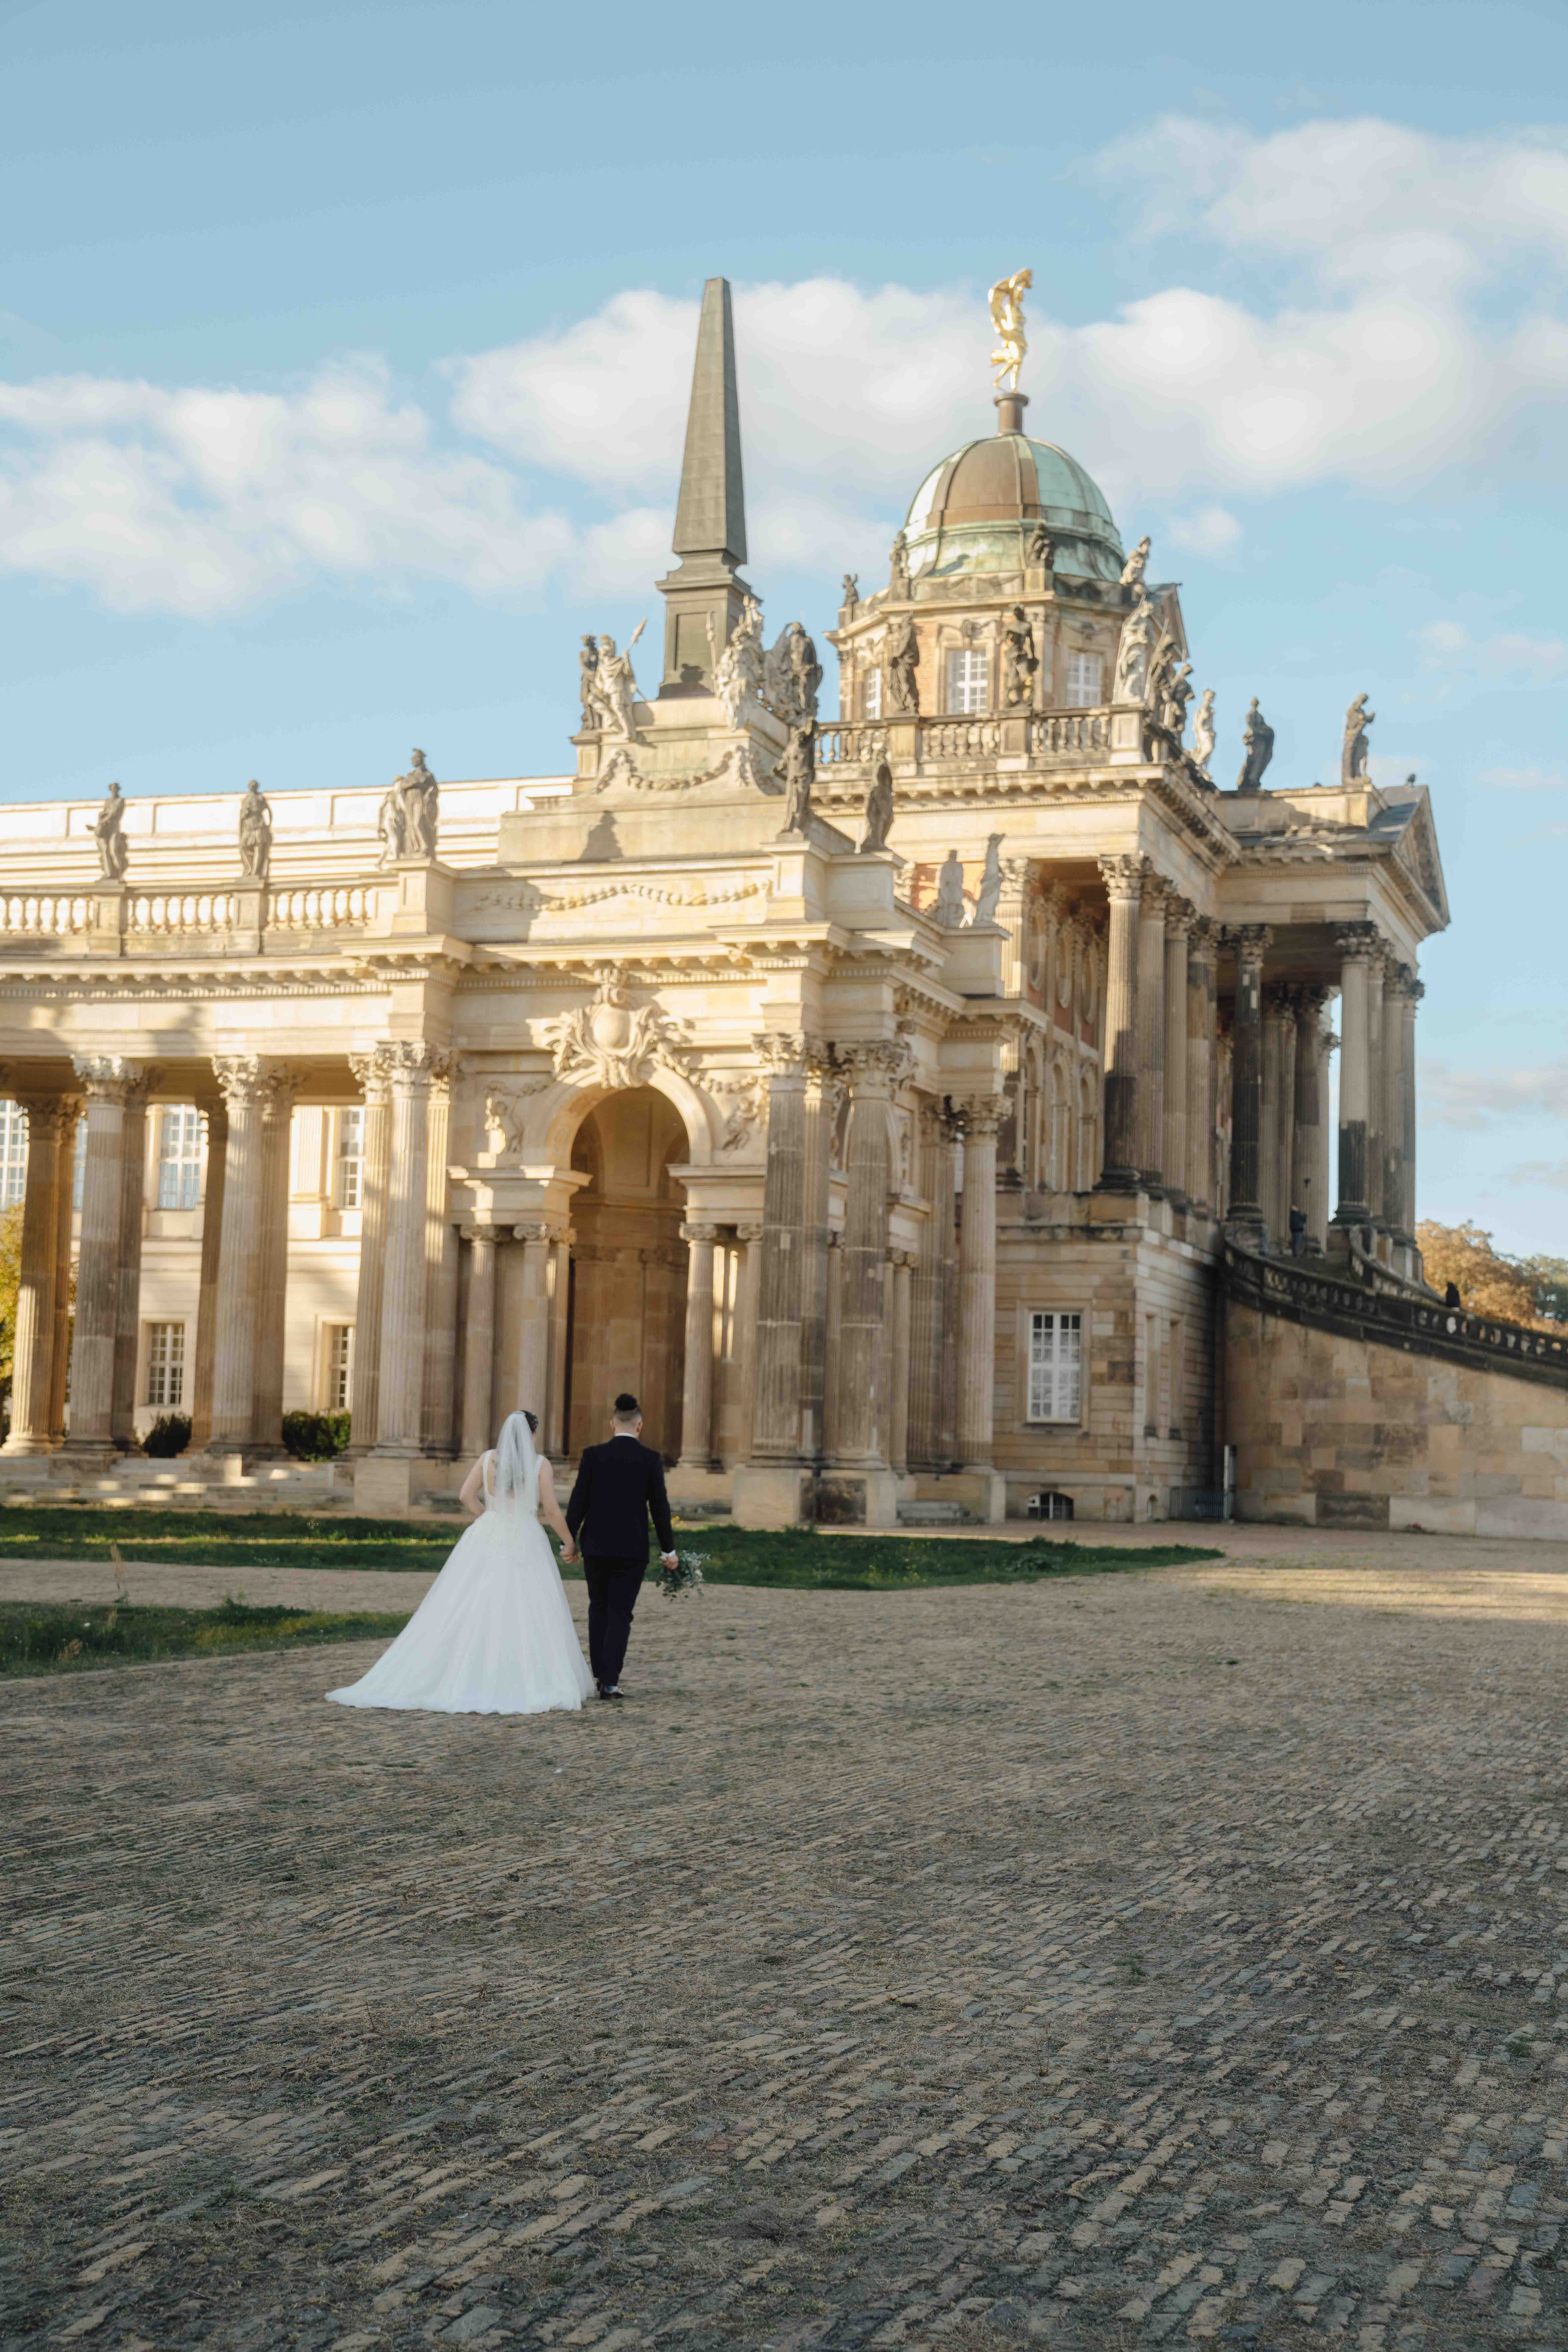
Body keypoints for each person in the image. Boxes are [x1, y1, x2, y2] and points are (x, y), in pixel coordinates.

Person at [325, 1411, 592, 1715]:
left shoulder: (488, 1459)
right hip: (525, 1535)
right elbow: (553, 1511)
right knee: (528, 1603)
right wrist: (570, 1542)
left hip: (489, 1533)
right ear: (532, 1434)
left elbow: (466, 1496)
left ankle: (467, 1669)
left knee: (471, 1598)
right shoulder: (540, 1464)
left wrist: (489, 1517)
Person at [565, 1393, 678, 1702]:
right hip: (632, 1548)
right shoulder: (650, 1459)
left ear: (612, 1425)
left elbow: (578, 1502)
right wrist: (669, 1550)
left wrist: (568, 1541)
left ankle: (600, 1675)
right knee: (620, 1613)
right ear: (640, 1426)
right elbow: (660, 1508)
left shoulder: (592, 1455)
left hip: (596, 1546)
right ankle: (611, 1683)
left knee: (598, 1608)